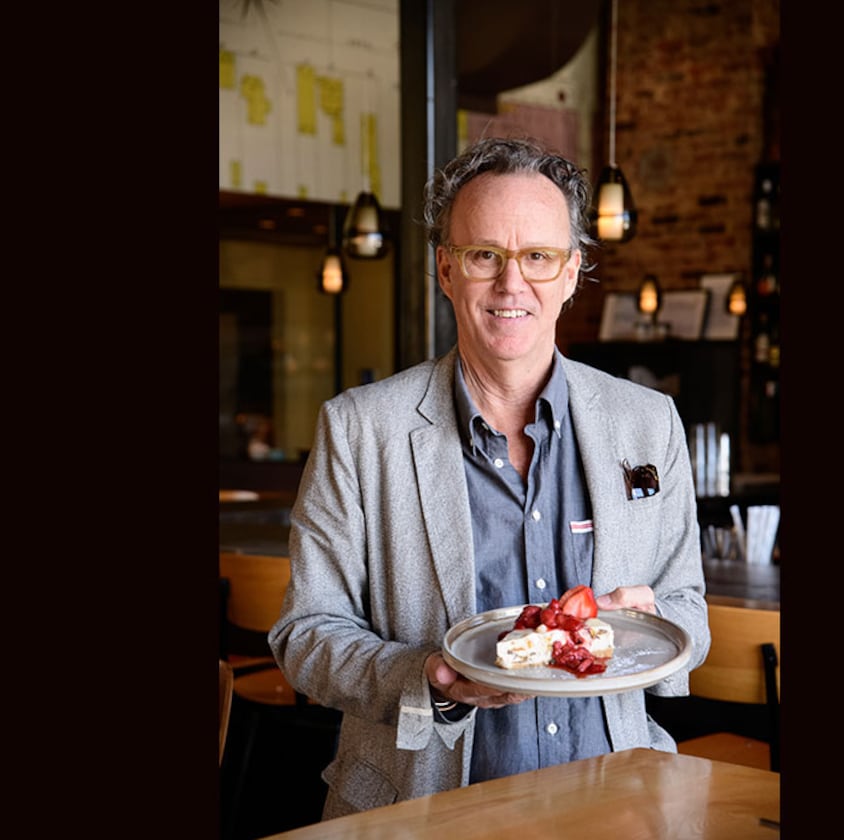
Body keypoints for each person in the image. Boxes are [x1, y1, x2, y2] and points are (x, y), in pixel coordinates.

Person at [268, 136, 711, 820]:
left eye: (538, 256)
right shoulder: (359, 429)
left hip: (619, 803)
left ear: (571, 274)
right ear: (447, 270)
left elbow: (688, 607)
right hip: (425, 808)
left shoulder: (647, 422)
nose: (513, 284)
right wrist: (429, 679)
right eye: (485, 256)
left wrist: (649, 622)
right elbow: (306, 632)